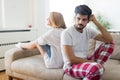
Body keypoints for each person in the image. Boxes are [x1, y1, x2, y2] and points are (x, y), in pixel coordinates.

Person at [61, 4, 114, 80]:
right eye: (78, 18)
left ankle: (95, 69)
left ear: (88, 20)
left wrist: (95, 22)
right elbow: (71, 59)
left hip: (85, 60)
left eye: (84, 19)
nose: (80, 22)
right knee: (97, 68)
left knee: (110, 44)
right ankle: (96, 68)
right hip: (71, 66)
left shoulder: (88, 30)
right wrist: (91, 62)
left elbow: (109, 39)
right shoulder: (66, 33)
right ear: (74, 17)